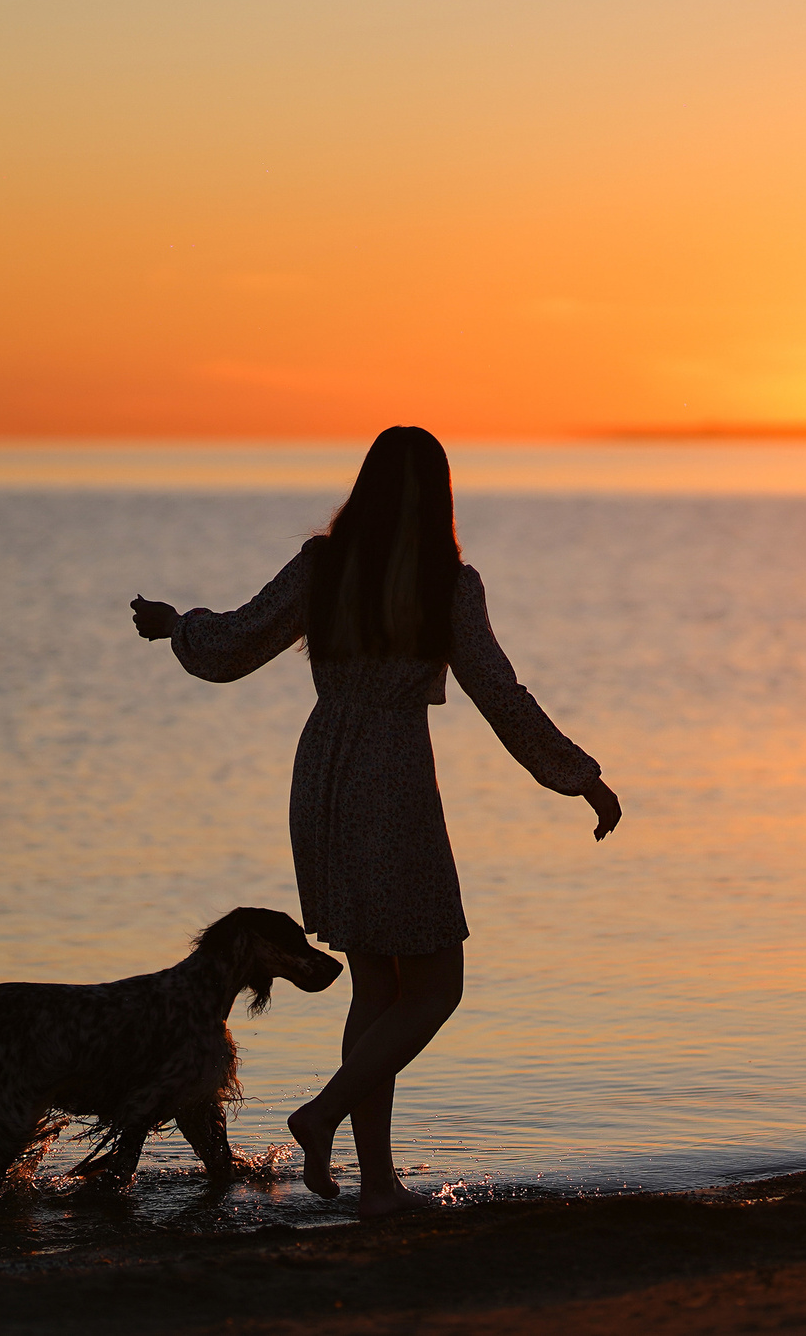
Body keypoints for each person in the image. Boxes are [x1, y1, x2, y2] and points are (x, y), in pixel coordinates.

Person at [130, 425, 621, 1218]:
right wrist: (580, 776)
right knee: (437, 983)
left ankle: (378, 1186)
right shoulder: (448, 583)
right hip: (392, 774)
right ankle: (321, 1114)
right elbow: (501, 693)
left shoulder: (326, 566)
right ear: (439, 497)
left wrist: (173, 624)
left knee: (379, 980)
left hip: (323, 767)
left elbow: (233, 642)